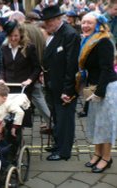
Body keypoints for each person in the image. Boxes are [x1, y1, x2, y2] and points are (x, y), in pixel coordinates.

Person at [78, 12, 117, 173]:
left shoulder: (103, 41)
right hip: (95, 87)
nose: (85, 25)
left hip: (106, 88)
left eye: (89, 23)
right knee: (95, 123)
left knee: (104, 125)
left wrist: (99, 92)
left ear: (98, 25)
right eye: (83, 22)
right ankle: (97, 154)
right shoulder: (89, 40)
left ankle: (106, 158)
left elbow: (107, 70)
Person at [41, 5, 81, 161]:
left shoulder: (70, 35)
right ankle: (58, 144)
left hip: (65, 87)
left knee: (65, 120)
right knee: (57, 118)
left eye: (50, 21)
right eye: (46, 21)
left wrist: (68, 90)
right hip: (53, 85)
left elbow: (72, 66)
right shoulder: (56, 33)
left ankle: (64, 151)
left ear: (59, 19)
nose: (47, 24)